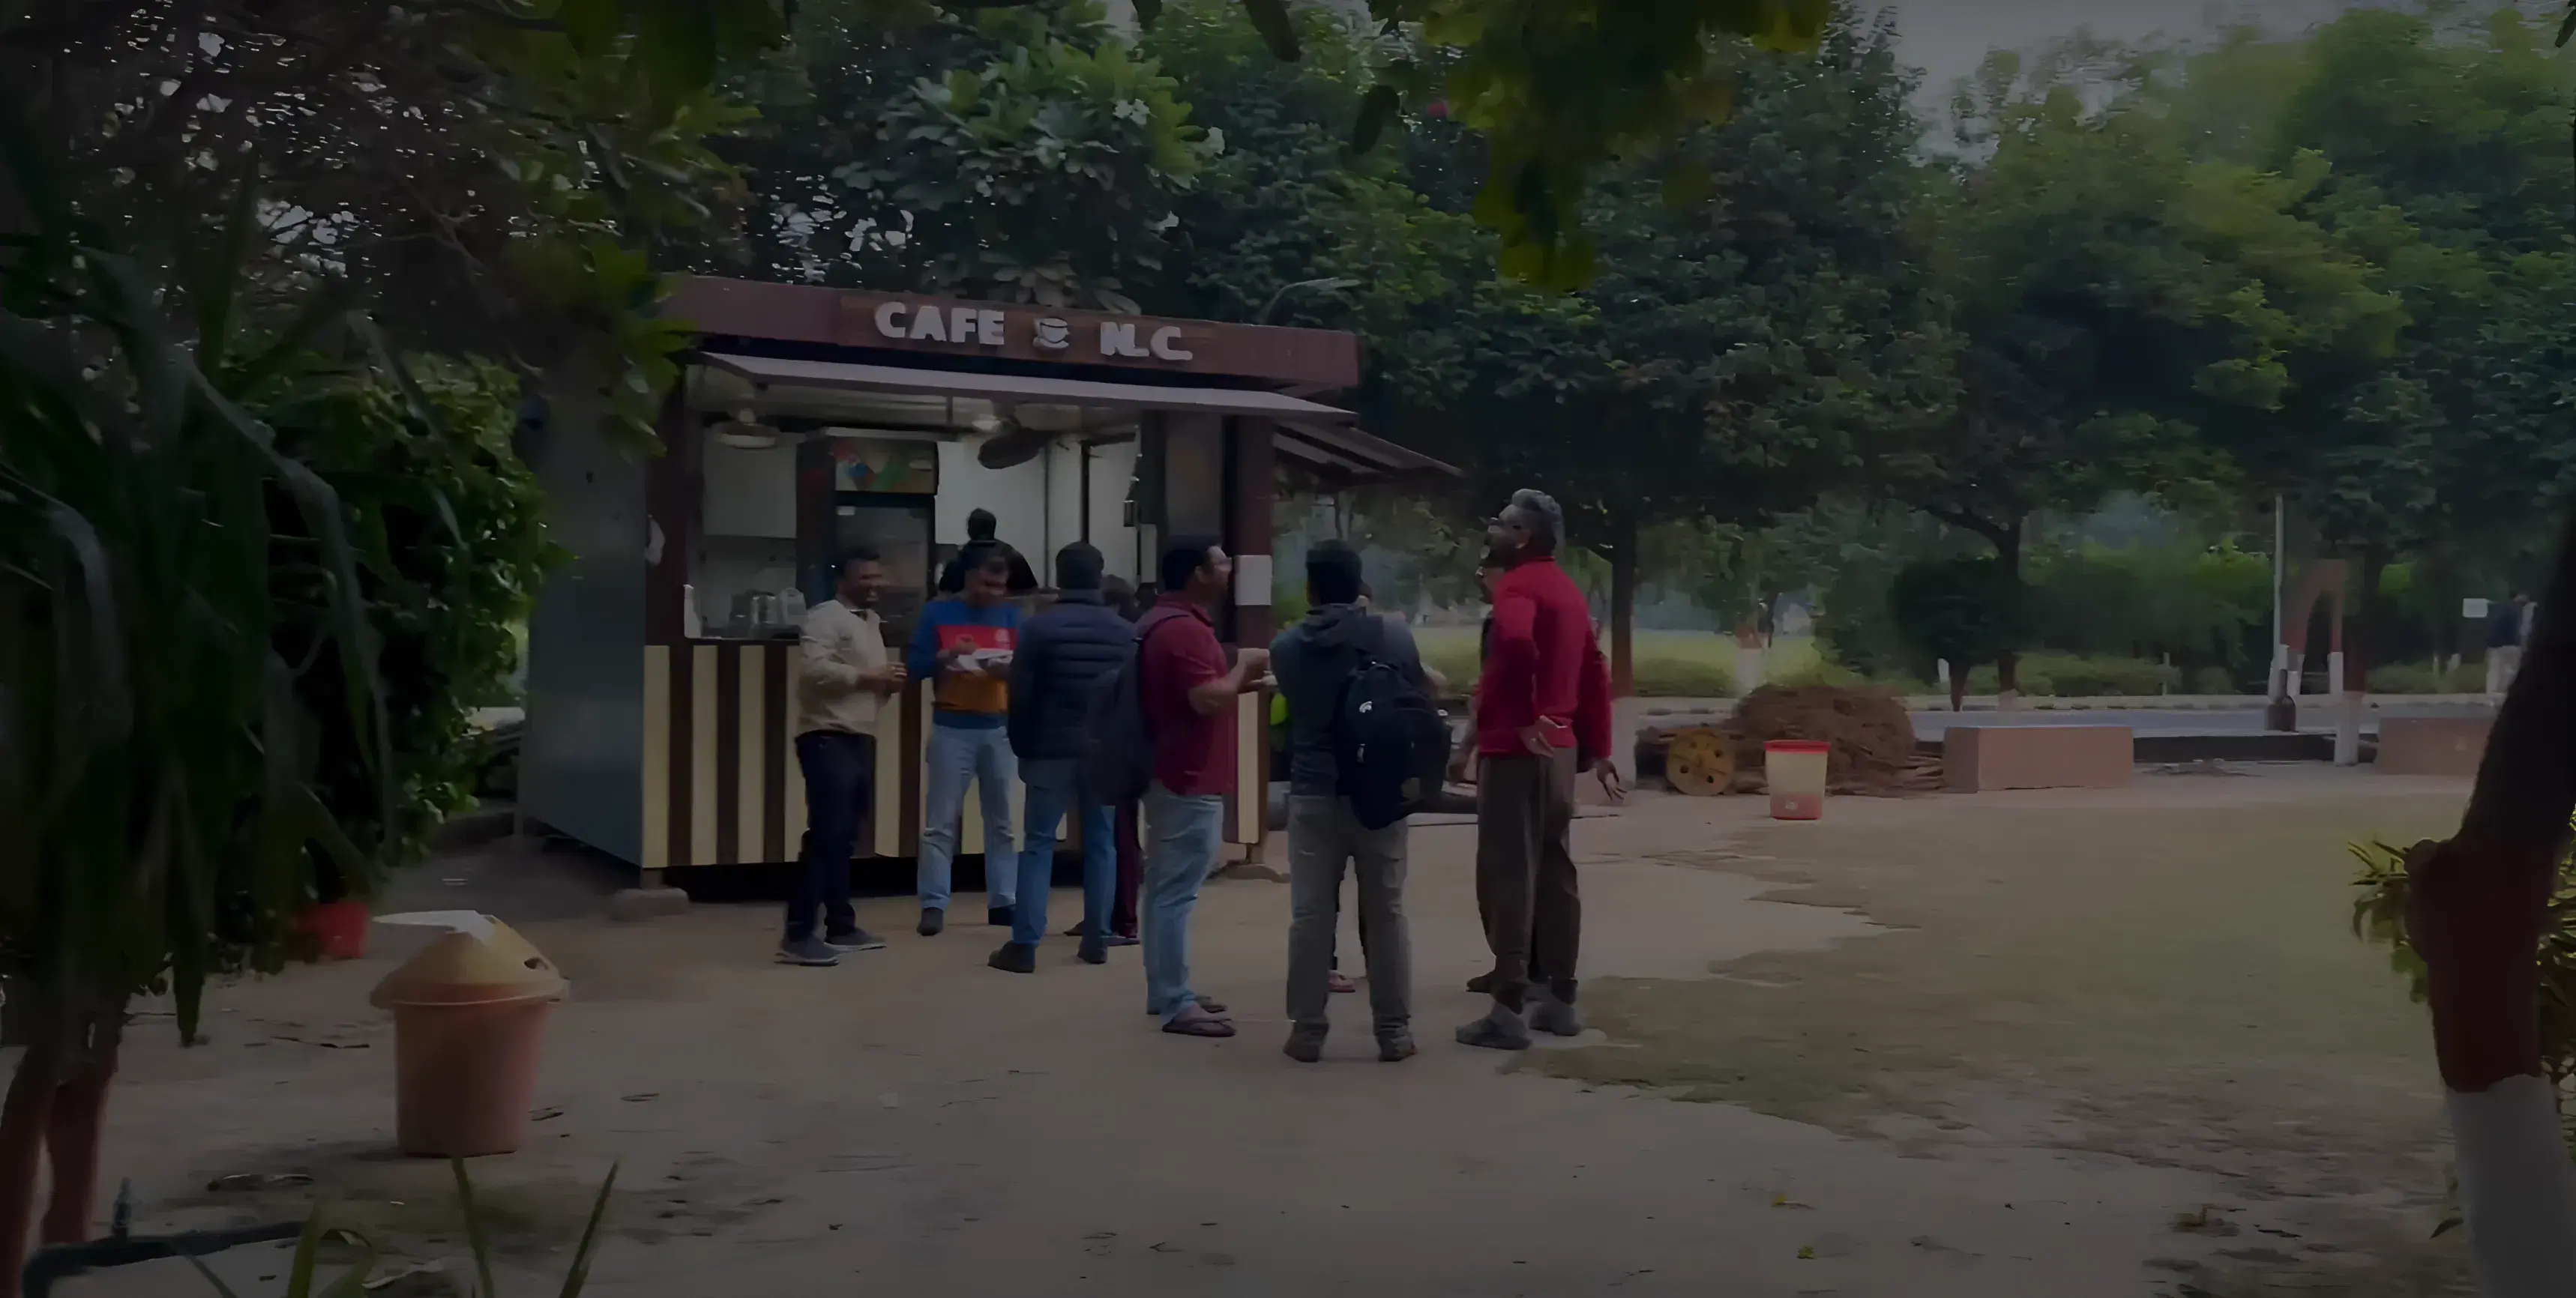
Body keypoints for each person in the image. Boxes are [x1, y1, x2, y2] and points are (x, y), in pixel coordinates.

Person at [1459, 490, 1622, 1051]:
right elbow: (1594, 675)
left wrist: (1523, 716)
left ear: (1523, 537)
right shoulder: (1571, 594)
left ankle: (1507, 1008)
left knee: (1510, 872)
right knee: (1555, 869)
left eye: (1503, 524)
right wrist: (1596, 747)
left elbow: (1516, 644)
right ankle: (1561, 1000)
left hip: (1518, 749)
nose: (1494, 529)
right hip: (1561, 750)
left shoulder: (1519, 587)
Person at [1272, 542, 1425, 1062]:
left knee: (1312, 914)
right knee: (1386, 911)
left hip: (1315, 792)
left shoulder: (1287, 648)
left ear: (1311, 588)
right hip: (1379, 793)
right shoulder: (1394, 636)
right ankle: (1395, 1031)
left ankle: (1308, 1031)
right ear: (1359, 587)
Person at [1137, 538, 1269, 1038]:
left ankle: (1165, 988)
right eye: (1220, 562)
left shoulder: (1158, 621)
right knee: (1176, 892)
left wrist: (1245, 680)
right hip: (1189, 776)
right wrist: (1243, 668)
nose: (1229, 568)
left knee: (1162, 889)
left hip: (1168, 770)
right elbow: (1207, 700)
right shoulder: (1187, 632)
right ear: (1197, 574)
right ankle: (1175, 1000)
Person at [994, 543, 1131, 972]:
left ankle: (1025, 944)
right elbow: (1129, 698)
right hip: (1102, 751)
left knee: (1037, 843)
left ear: (1060, 574)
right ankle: (1097, 940)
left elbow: (1022, 693)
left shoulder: (1039, 629)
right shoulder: (1123, 631)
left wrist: (1021, 743)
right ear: (1100, 575)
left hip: (1049, 747)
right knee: (1101, 844)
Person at [780, 549, 909, 965]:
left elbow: (863, 681)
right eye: (867, 577)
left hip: (859, 738)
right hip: (826, 737)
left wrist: (886, 684)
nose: (876, 585)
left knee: (845, 838)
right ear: (845, 580)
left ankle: (841, 925)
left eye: (879, 577)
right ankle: (798, 935)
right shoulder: (825, 616)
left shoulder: (869, 623)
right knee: (826, 835)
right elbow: (813, 671)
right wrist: (870, 677)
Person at [908, 539, 1024, 935]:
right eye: (987, 585)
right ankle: (934, 903)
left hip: (999, 726)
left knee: (1003, 821)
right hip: (951, 726)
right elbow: (916, 665)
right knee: (940, 822)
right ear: (969, 576)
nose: (994, 594)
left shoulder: (1012, 615)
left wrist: (1009, 673)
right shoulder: (938, 612)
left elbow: (1026, 669)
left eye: (1000, 586)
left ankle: (1003, 900)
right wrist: (944, 657)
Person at [937, 507, 1040, 597]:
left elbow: (944, 596)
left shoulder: (956, 560)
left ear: (970, 530)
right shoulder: (1012, 556)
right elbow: (1031, 593)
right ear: (993, 528)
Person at [2489, 593, 2530, 696]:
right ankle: (2508, 689)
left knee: (2502, 669)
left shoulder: (2506, 609)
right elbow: (2520, 630)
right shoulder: (2518, 612)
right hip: (2513, 645)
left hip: (2501, 645)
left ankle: (2500, 690)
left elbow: (2497, 626)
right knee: (2512, 669)